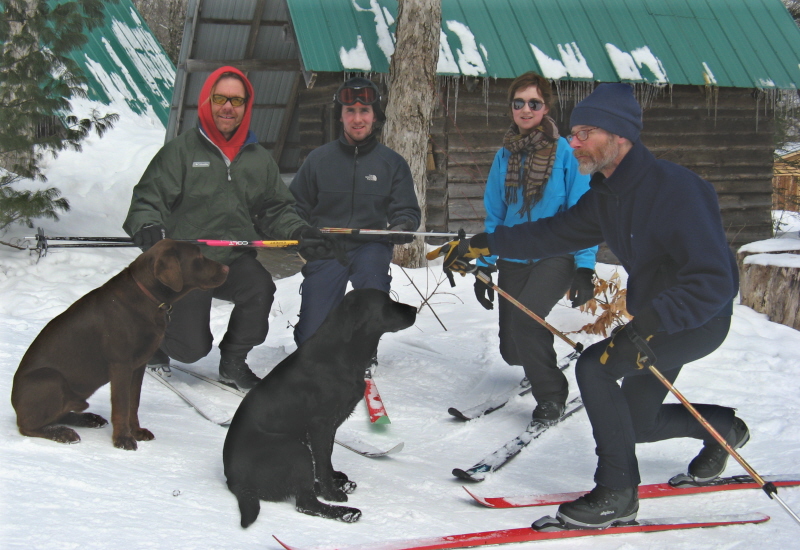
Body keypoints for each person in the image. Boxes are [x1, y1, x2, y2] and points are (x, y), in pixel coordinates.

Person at [433, 83, 747, 529]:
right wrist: (484, 244)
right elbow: (554, 233)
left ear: (620, 136)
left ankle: (617, 492)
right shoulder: (606, 194)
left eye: (584, 133)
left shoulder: (677, 189)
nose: (574, 142)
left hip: (696, 318)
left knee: (594, 368)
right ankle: (725, 430)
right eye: (573, 133)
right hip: (656, 318)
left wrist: (648, 326)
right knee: (636, 422)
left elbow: (714, 280)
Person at [123, 66, 336, 391]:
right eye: (220, 98)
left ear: (246, 106)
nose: (227, 107)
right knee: (190, 349)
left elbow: (275, 208)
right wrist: (147, 224)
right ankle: (151, 342)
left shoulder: (258, 159)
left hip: (232, 259)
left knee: (260, 288)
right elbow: (149, 197)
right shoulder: (181, 152)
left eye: (236, 100)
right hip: (187, 264)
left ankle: (233, 361)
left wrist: (299, 232)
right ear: (207, 101)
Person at [473, 71, 596, 425]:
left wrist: (585, 266)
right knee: (513, 350)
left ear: (545, 108)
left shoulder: (566, 153)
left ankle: (552, 396)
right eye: (519, 103)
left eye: (534, 103)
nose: (526, 109)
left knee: (527, 321)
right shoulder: (504, 156)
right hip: (514, 255)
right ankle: (534, 356)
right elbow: (496, 214)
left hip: (555, 253)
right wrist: (484, 264)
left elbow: (583, 212)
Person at [289, 77, 421, 347]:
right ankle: (314, 343)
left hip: (370, 246)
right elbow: (295, 206)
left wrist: (402, 225)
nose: (357, 119)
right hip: (326, 246)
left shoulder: (392, 163)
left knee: (372, 289)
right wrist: (300, 231)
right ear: (340, 115)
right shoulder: (318, 160)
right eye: (350, 111)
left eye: (364, 111)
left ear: (375, 116)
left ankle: (364, 349)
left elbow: (406, 209)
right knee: (312, 337)